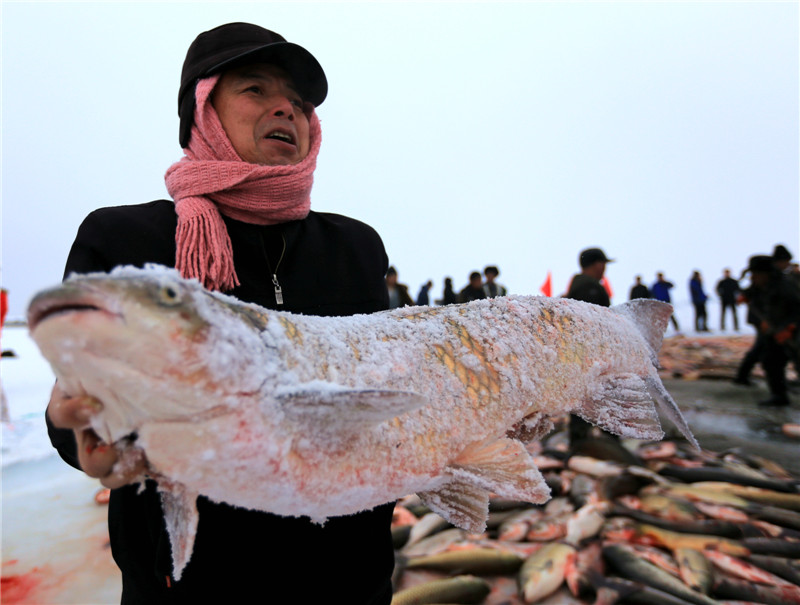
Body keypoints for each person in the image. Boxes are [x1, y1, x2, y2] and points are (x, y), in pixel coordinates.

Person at [45, 23, 396, 604]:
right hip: (191, 582)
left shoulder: (356, 246)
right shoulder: (124, 239)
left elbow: (382, 388)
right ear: (201, 112)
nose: (286, 108)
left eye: (300, 103)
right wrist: (81, 426)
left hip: (347, 577)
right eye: (255, 89)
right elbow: (80, 414)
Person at [564, 247, 615, 448]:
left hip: (582, 357)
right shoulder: (589, 289)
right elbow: (591, 326)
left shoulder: (579, 285)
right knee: (591, 402)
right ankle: (588, 447)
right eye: (603, 264)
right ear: (596, 264)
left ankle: (583, 445)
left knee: (585, 404)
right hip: (589, 358)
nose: (605, 269)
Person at [739, 255, 800, 406]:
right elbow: (751, 291)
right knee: (771, 361)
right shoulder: (760, 284)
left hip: (793, 328)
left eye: (756, 274)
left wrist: (790, 327)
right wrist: (744, 296)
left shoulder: (785, 286)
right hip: (775, 329)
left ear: (766, 274)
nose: (753, 278)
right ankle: (779, 396)